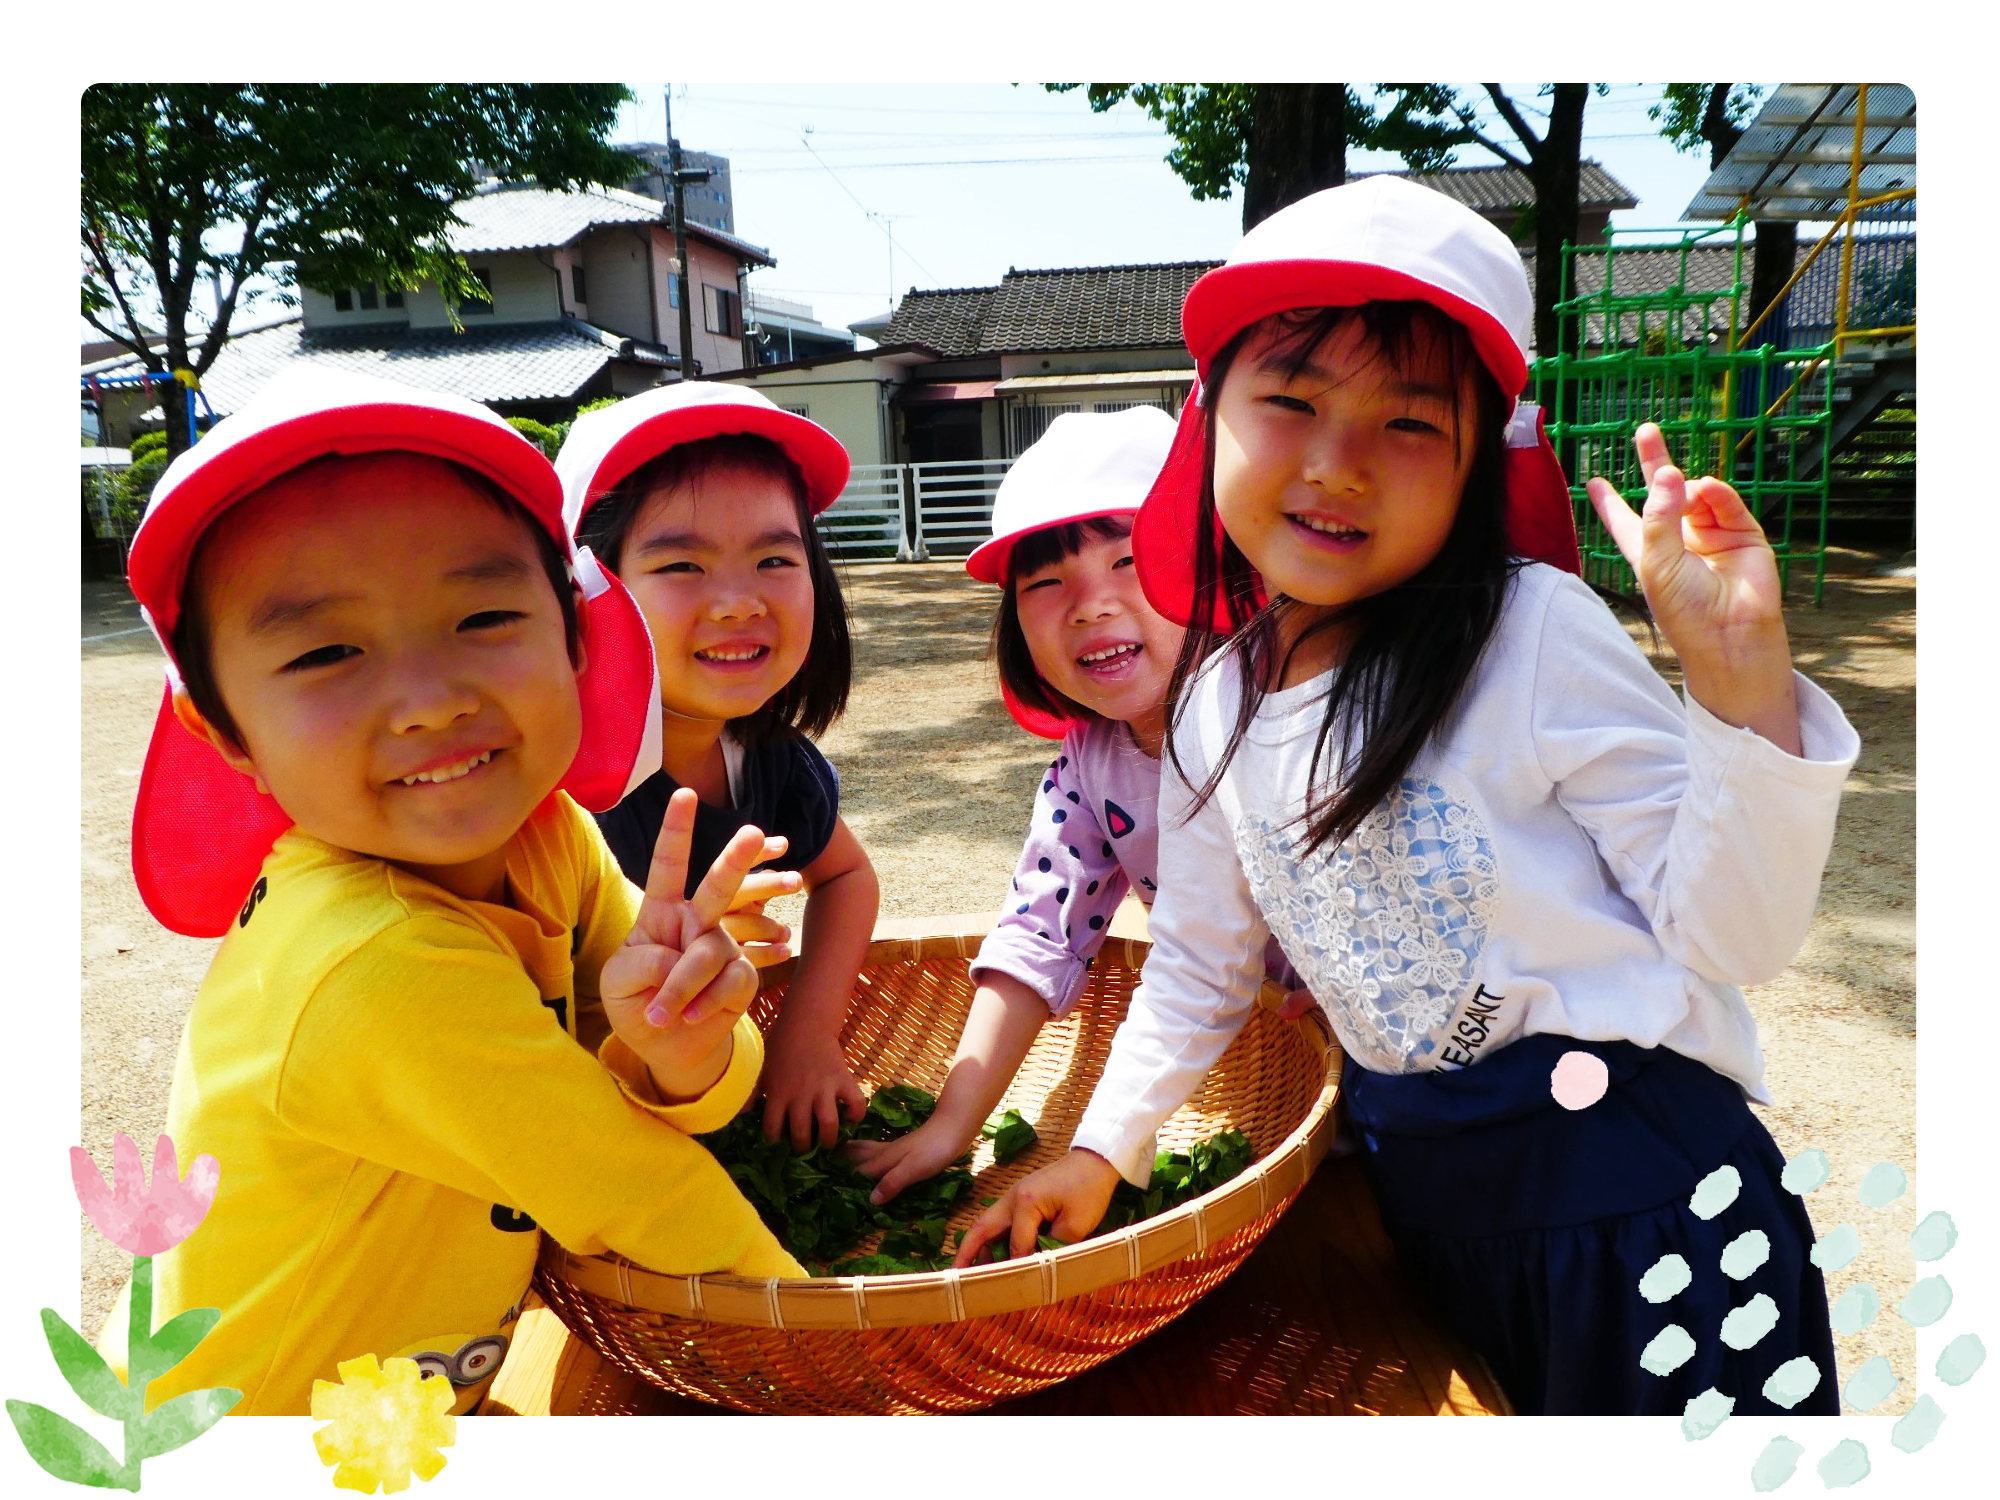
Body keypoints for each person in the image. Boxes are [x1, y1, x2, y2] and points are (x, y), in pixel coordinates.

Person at [956, 177, 1859, 1418]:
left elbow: (1729, 939)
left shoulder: (1528, 633)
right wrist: (1101, 1146)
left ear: (1473, 464)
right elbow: (1198, 968)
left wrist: (1741, 692)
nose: (1336, 467)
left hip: (1650, 1216)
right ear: (1207, 420)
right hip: (1428, 1198)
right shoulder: (1214, 703)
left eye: (1408, 425)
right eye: (1289, 402)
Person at [107, 369, 805, 1416]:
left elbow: (680, 1084)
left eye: (482, 617)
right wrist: (847, 1352)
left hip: (394, 1410)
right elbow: (634, 1189)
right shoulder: (372, 960)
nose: (430, 703)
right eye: (327, 651)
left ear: (573, 639)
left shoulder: (548, 836)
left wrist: (685, 1048)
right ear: (224, 732)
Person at [849, 407, 1311, 1203]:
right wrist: (949, 1128)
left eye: (1131, 561)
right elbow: (1039, 933)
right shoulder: (1089, 768)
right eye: (1045, 582)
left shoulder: (1293, 706)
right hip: (1249, 1065)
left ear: (1213, 569)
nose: (1090, 605)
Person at [557, 385, 879, 1153]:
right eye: (681, 564)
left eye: (774, 558)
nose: (738, 602)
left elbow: (847, 876)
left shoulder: (770, 759)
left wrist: (806, 1037)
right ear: (585, 591)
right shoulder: (558, 796)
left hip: (717, 1107)